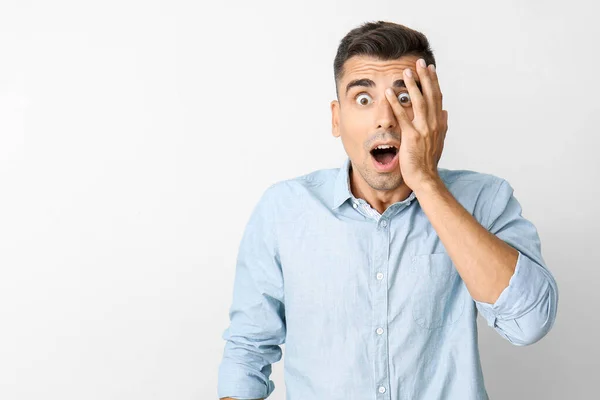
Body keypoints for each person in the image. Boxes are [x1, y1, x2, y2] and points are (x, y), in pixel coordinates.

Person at [216, 20, 559, 400]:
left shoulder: (485, 198)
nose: (386, 118)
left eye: (406, 97)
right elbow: (247, 354)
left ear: (435, 114)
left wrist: (427, 182)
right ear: (336, 117)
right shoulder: (283, 210)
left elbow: (529, 323)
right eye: (363, 99)